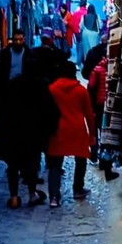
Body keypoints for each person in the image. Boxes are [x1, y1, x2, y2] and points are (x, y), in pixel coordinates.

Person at [0, 29, 56, 208]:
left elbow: (1, 101)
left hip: (13, 131)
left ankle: (13, 197)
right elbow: (49, 110)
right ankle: (32, 194)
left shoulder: (12, 90)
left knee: (13, 164)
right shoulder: (39, 88)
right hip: (31, 133)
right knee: (32, 163)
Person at [45, 59, 97, 207]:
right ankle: (78, 189)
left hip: (57, 129)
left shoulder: (52, 89)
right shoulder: (81, 91)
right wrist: (92, 134)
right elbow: (89, 114)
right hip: (77, 128)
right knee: (80, 160)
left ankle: (54, 197)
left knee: (55, 163)